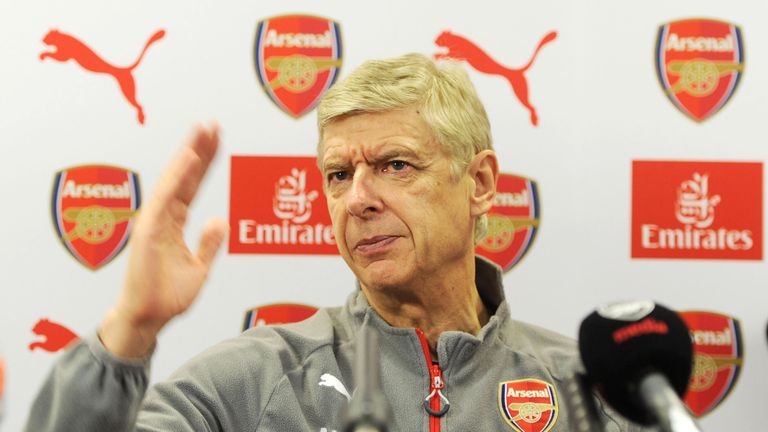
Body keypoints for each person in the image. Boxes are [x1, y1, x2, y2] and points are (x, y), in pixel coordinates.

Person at [25, 53, 642, 431]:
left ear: (479, 183)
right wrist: (127, 333)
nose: (358, 199)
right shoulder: (253, 381)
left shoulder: (587, 392)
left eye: (396, 165)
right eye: (339, 175)